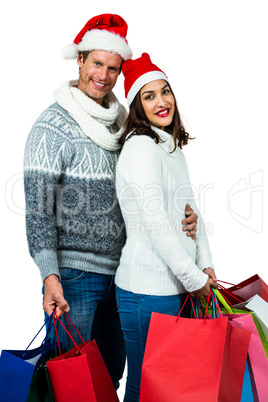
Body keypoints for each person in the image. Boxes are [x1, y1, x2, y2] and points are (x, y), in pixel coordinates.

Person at [24, 15, 198, 389]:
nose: (103, 75)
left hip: (123, 277)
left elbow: (144, 198)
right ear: (81, 61)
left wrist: (185, 219)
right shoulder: (51, 126)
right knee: (68, 382)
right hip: (75, 277)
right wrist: (49, 276)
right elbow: (38, 209)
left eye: (113, 68)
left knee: (108, 381)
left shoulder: (124, 123)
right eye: (96, 63)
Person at [115, 53, 218, 401]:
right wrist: (195, 279)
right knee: (145, 387)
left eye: (165, 91)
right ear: (137, 106)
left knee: (170, 387)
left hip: (179, 287)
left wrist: (206, 265)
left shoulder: (170, 146)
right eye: (149, 95)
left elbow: (192, 214)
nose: (161, 102)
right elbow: (156, 224)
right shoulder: (142, 146)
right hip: (146, 292)